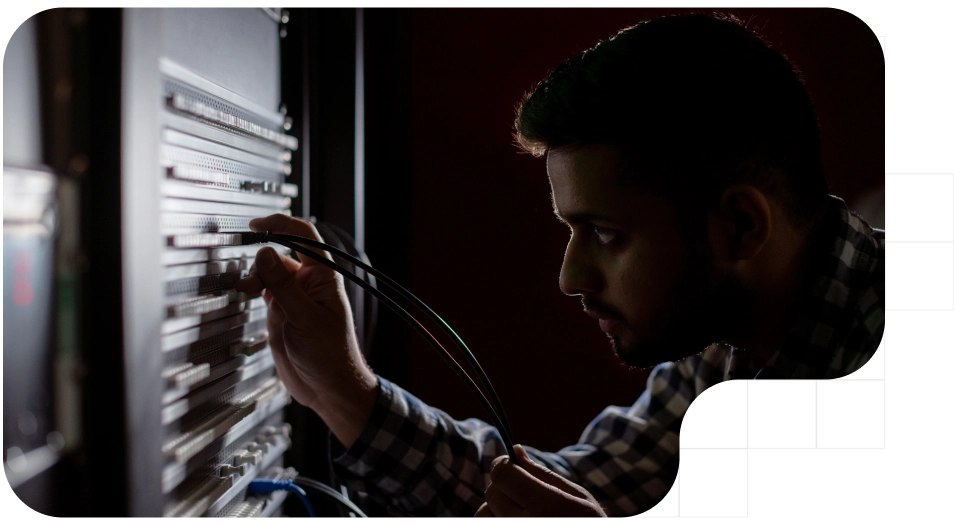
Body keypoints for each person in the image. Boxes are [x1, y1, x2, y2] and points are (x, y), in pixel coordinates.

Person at [234, 13, 884, 517]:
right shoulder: (727, 343)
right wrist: (344, 389)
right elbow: (574, 490)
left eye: (607, 234)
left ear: (741, 225)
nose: (572, 278)